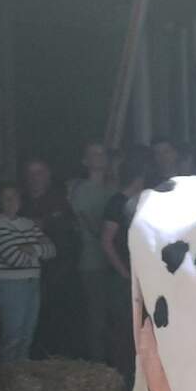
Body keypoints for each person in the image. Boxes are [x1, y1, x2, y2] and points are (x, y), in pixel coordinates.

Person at [20, 157, 85, 359]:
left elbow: (71, 239)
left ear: (48, 175)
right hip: (24, 275)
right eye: (31, 173)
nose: (35, 178)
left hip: (59, 274)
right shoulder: (18, 202)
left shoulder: (60, 202)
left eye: (39, 172)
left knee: (57, 320)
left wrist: (46, 224)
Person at [0, 182, 56, 363]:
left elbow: (52, 250)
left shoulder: (27, 223)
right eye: (6, 198)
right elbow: (14, 259)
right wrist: (38, 249)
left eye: (15, 196)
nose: (11, 202)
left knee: (27, 333)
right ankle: (7, 376)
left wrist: (29, 249)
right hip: (9, 285)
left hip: (32, 282)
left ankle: (21, 373)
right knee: (13, 334)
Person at [101, 157, 146, 391]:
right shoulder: (117, 203)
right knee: (125, 333)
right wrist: (124, 273)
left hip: (136, 278)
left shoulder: (137, 203)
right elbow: (107, 242)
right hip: (123, 279)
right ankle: (126, 384)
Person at [69, 140, 114, 362]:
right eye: (94, 154)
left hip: (116, 264)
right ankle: (98, 365)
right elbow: (95, 228)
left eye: (102, 153)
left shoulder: (113, 188)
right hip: (93, 262)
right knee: (97, 316)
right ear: (85, 161)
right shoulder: (80, 191)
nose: (100, 157)